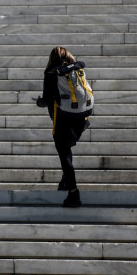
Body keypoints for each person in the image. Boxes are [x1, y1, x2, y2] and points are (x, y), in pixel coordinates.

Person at [36, 47, 93, 208]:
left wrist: (39, 102)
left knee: (64, 154)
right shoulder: (77, 69)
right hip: (82, 117)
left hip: (63, 119)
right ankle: (65, 181)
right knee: (66, 149)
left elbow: (47, 100)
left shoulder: (51, 74)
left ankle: (74, 193)